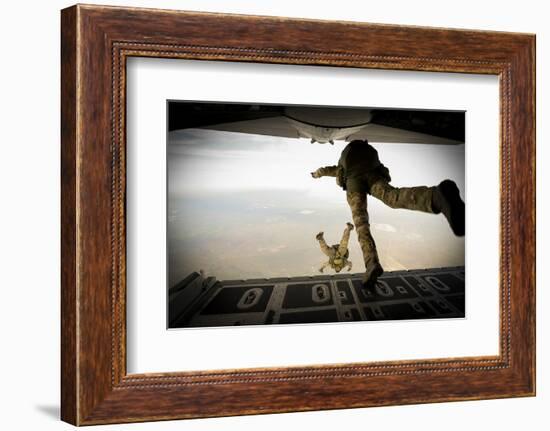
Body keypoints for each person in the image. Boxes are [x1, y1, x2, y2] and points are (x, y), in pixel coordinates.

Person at [311, 139, 465, 289]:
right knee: (393, 197)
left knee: (361, 224)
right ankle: (437, 196)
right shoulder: (363, 151)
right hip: (370, 170)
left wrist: (316, 174)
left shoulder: (342, 165)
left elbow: (326, 170)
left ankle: (372, 264)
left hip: (354, 181)